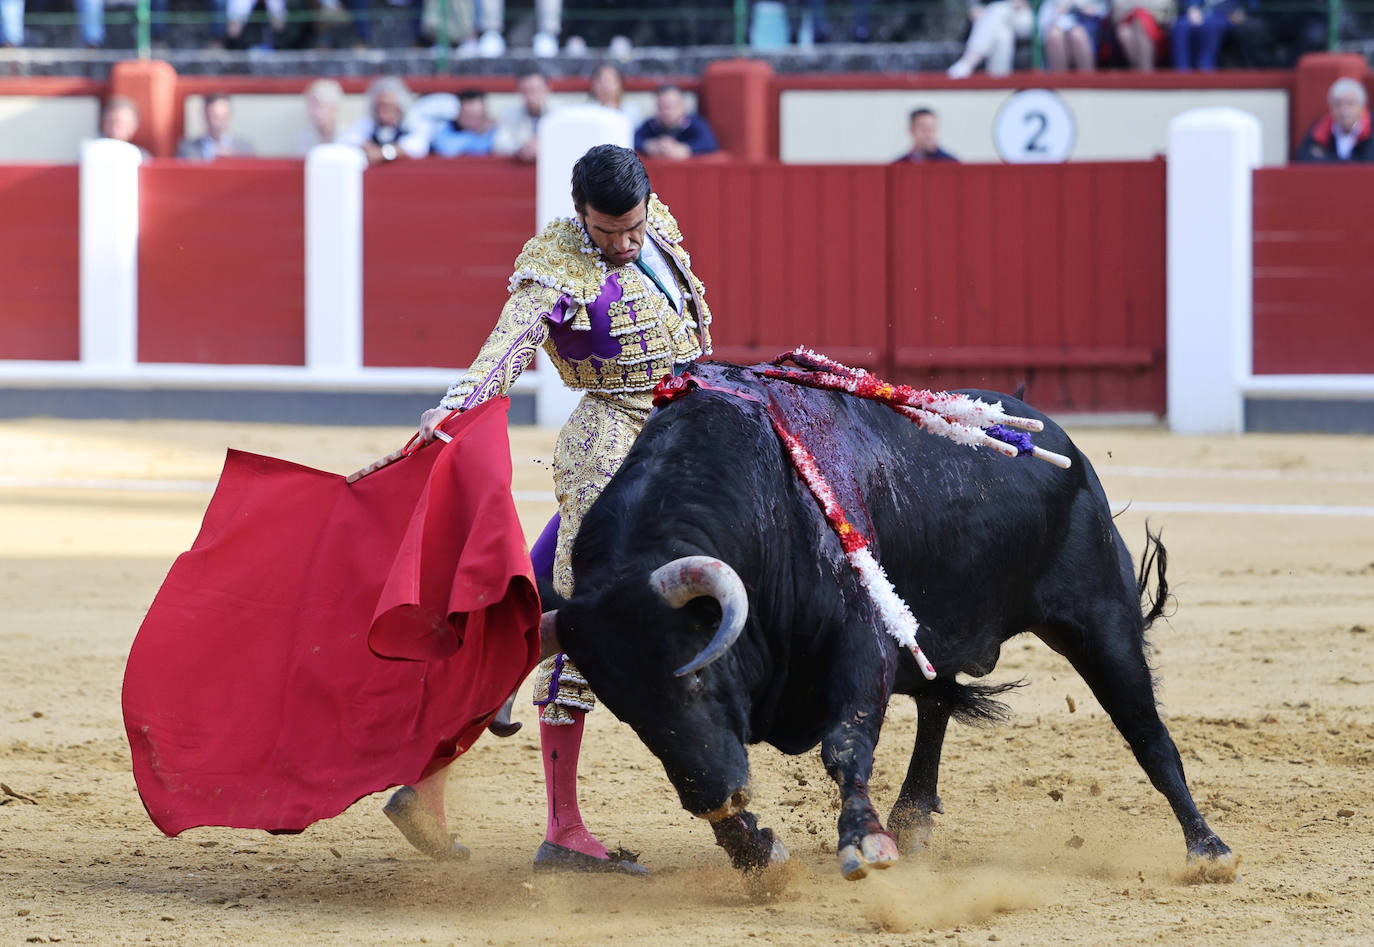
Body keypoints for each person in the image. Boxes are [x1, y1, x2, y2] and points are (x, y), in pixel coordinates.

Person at [382, 144, 712, 874]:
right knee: (585, 619)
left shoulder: (658, 228)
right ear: (579, 217)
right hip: (610, 442)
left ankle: (426, 779)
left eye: (632, 227)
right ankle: (562, 826)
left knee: (524, 615)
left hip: (679, 432)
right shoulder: (554, 265)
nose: (624, 245)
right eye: (607, 234)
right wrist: (450, 411)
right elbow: (504, 349)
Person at [338, 77, 431, 165]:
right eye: (380, 106)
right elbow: (347, 138)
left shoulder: (411, 121)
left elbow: (419, 145)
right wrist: (366, 146)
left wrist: (385, 153)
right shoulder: (369, 122)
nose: (384, 111)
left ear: (400, 107)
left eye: (389, 106)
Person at [947, 0, 1034, 78]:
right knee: (1003, 34)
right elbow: (975, 7)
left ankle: (967, 62)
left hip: (1030, 17)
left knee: (998, 10)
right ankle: (1000, 80)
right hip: (998, 19)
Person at [1295, 77, 1373, 163]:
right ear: (1331, 107)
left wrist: (1325, 157)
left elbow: (1368, 160)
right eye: (1338, 104)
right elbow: (1303, 158)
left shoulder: (1371, 127)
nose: (1344, 110)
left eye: (1350, 104)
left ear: (1361, 107)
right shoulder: (1321, 128)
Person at [634, 85, 719, 159]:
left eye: (671, 106)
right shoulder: (650, 124)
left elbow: (709, 143)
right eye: (662, 106)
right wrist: (649, 145)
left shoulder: (695, 123)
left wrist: (686, 149)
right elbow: (632, 139)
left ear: (683, 106)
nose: (667, 111)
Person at [493, 71, 553, 163]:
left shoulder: (560, 112)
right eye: (525, 90)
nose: (530, 95)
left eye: (534, 90)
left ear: (546, 89)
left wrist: (543, 147)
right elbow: (499, 144)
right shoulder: (509, 113)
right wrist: (521, 148)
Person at [177, 93, 256, 161]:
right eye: (214, 117)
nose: (219, 123)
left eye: (223, 117)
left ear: (230, 116)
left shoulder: (246, 149)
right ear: (205, 116)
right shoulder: (188, 149)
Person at [1040, 0, 1108, 71]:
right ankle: (1060, 80)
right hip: (1058, 22)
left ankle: (1087, 79)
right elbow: (1049, 14)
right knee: (1054, 36)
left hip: (1088, 23)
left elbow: (1102, 9)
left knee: (1077, 35)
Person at [1171, 0, 1236, 71]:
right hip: (1191, 13)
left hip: (1221, 14)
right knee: (1181, 26)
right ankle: (1182, 72)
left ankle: (1205, 70)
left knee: (1210, 26)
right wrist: (1190, 9)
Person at [429, 89, 497, 157]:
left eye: (478, 116)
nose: (473, 122)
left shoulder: (495, 131)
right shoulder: (446, 128)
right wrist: (477, 136)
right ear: (458, 113)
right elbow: (447, 149)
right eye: (468, 116)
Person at [1113, 0, 1172, 70]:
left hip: (1153, 24)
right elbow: (1117, 12)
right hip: (1128, 23)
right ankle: (1140, 70)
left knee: (1140, 24)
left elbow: (1164, 12)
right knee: (1124, 31)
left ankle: (1144, 70)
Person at [296, 79, 343, 156]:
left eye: (319, 105)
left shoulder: (348, 135)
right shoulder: (303, 137)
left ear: (333, 107)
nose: (313, 112)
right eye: (310, 106)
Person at [893, 108, 957, 163]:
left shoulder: (951, 163)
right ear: (911, 130)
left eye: (932, 127)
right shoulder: (899, 165)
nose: (928, 132)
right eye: (923, 127)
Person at [99, 96, 153, 160]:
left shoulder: (142, 157)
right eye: (111, 122)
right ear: (103, 123)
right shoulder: (91, 152)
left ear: (134, 125)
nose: (115, 128)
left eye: (122, 122)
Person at [588, 62, 639, 127]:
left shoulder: (631, 111)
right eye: (600, 81)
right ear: (593, 85)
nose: (605, 85)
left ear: (620, 84)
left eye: (609, 80)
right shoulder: (587, 112)